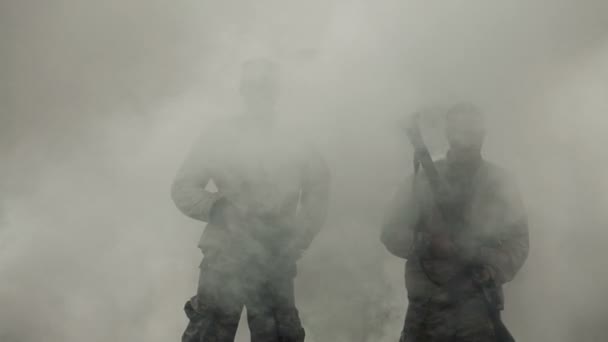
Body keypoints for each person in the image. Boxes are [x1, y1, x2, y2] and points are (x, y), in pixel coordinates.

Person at [171, 58, 330, 342]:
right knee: (209, 333)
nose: (260, 96)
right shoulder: (219, 136)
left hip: (275, 255)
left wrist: (298, 237)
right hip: (224, 256)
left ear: (275, 93)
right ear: (244, 93)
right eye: (254, 89)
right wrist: (217, 207)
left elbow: (318, 189)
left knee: (278, 334)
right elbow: (183, 188)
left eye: (266, 89)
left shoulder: (296, 139)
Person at [381, 103, 529, 342]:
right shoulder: (423, 181)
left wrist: (490, 268)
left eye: (473, 133)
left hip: (478, 310)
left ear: (482, 135)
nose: (468, 140)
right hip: (426, 312)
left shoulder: (499, 183)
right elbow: (390, 232)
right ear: (450, 135)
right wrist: (428, 244)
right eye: (462, 132)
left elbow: (518, 243)